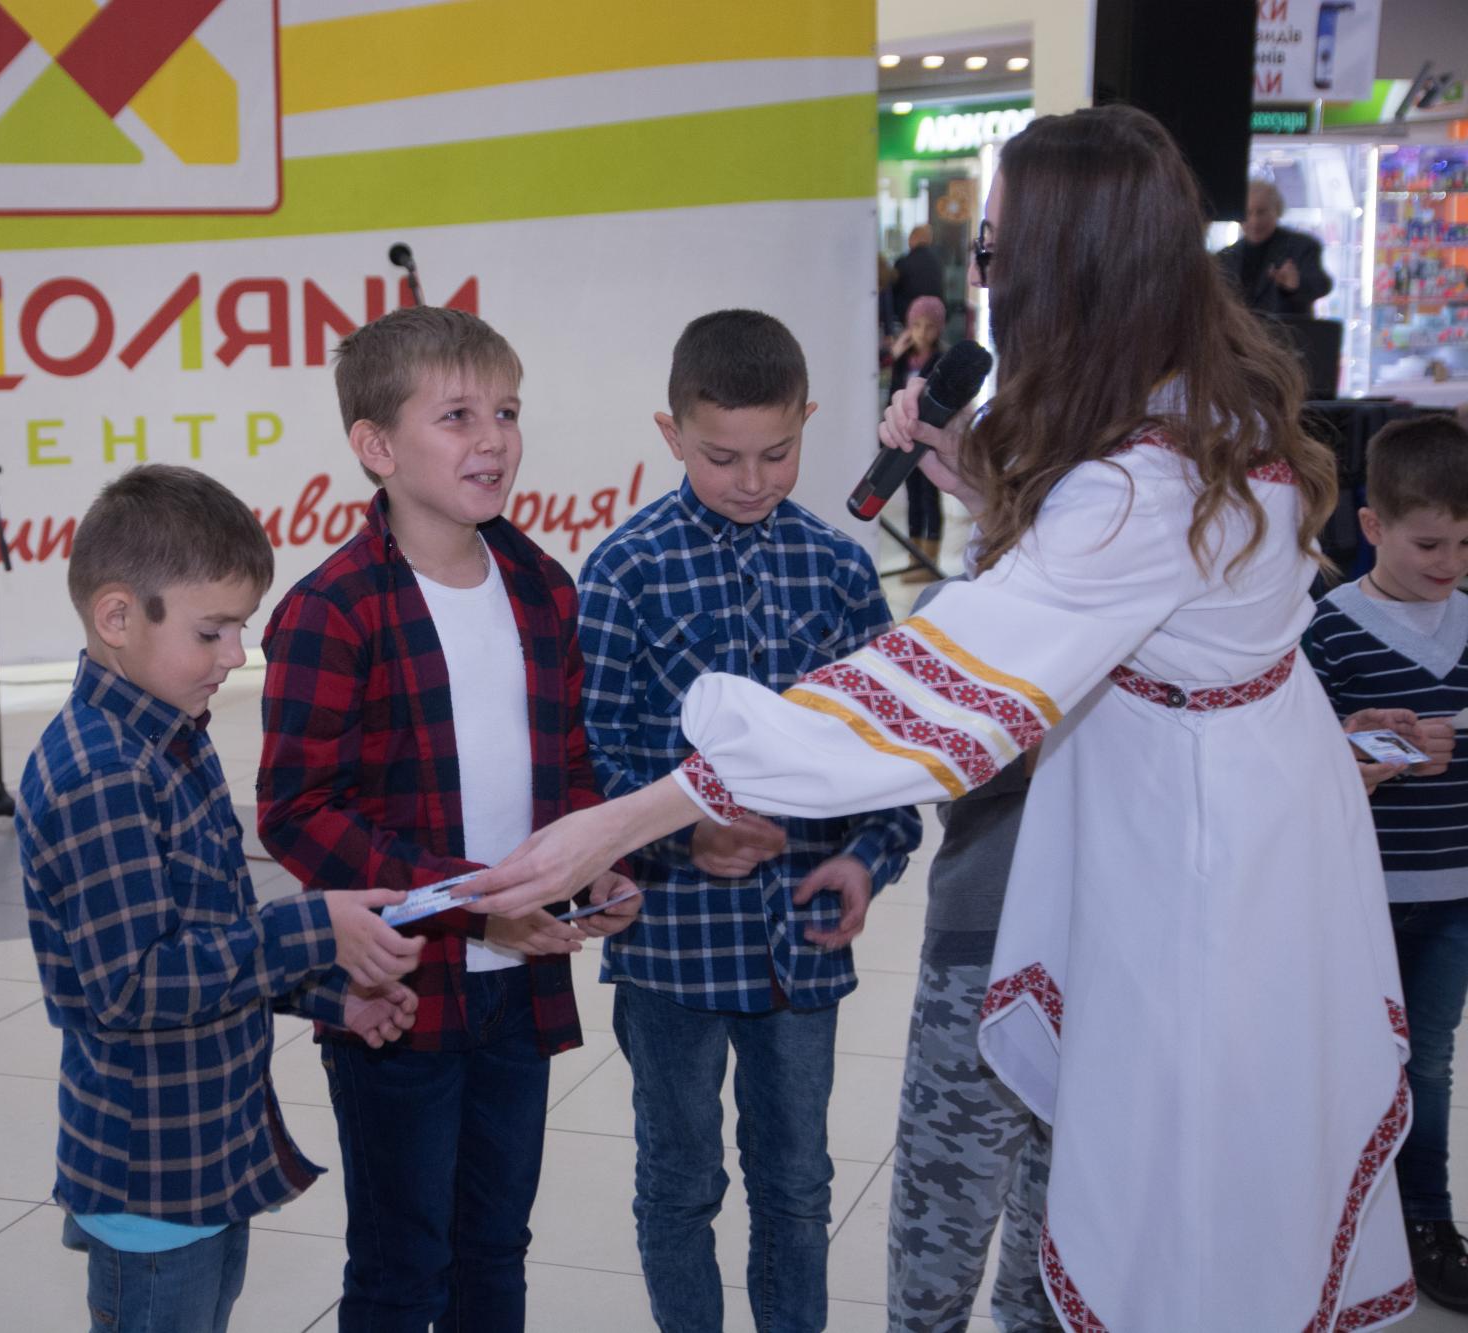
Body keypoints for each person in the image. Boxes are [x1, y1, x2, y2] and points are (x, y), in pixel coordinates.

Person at [467, 104, 1416, 1331]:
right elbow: (1082, 598)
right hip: (1211, 802)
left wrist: (622, 820)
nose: (983, 278)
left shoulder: (1144, 479)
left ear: (1069, 268)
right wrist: (985, 485)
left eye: (997, 251)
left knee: (1184, 1182)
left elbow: (926, 696)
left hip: (1198, 854)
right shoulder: (1184, 404)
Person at [256, 306, 640, 1333]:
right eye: (458, 415)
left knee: (494, 1247)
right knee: (402, 1263)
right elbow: (297, 812)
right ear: (376, 447)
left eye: (506, 412)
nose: (494, 439)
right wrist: (476, 907)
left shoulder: (541, 587)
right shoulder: (333, 608)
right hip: (398, 993)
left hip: (518, 983)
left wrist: (596, 860)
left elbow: (569, 766)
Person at [15, 465, 426, 1333]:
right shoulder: (103, 774)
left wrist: (335, 994)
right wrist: (314, 926)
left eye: (240, 627)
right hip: (151, 1179)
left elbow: (212, 939)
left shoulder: (171, 738)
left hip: (203, 1157)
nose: (237, 655)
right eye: (212, 631)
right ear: (117, 617)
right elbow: (135, 984)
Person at [577, 309, 921, 1333]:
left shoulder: (840, 569)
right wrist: (680, 834)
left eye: (776, 451)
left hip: (799, 948)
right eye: (720, 456)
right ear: (670, 432)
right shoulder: (624, 570)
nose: (751, 478)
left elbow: (889, 761)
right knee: (679, 1181)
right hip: (671, 951)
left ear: (807, 420)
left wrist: (866, 862)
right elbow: (590, 755)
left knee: (798, 1185)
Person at [1304, 414, 1468, 1311]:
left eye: (1467, 544)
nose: (1449, 563)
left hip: (1453, 896)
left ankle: (1426, 1221)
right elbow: (1298, 749)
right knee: (1348, 1060)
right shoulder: (1330, 629)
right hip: (1355, 895)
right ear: (1372, 525)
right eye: (1429, 543)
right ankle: (1334, 1222)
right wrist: (1372, 747)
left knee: (1428, 1063)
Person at [888, 575, 1055, 1333]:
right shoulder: (957, 608)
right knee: (944, 1213)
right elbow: (947, 766)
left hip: (1116, 949)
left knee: (1061, 1228)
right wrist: (1090, 740)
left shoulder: (1151, 603)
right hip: (982, 941)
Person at [889, 294, 949, 580]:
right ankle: (914, 558)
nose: (922, 333)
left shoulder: (941, 361)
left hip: (929, 440)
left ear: (939, 329)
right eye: (916, 325)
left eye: (930, 326)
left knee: (929, 497)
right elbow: (892, 394)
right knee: (913, 497)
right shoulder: (902, 360)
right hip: (905, 439)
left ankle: (929, 560)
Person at [1218, 179, 1335, 317]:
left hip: (1287, 329)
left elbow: (1321, 285)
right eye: (1247, 213)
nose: (1254, 221)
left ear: (1277, 211)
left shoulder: (1302, 246)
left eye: (1261, 212)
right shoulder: (1224, 257)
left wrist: (1295, 285)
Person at [892, 225, 946, 328]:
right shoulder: (938, 262)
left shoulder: (903, 262)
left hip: (910, 318)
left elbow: (893, 292)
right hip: (935, 316)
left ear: (913, 238)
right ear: (929, 240)